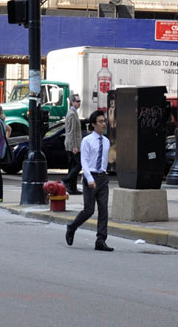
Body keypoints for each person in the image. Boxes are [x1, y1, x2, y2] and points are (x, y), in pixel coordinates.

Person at [65, 111, 113, 251]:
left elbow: (104, 160)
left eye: (104, 121)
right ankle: (72, 227)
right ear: (93, 124)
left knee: (103, 210)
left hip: (102, 178)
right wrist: (90, 178)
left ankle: (101, 240)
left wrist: (103, 175)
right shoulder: (86, 141)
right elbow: (84, 162)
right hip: (90, 177)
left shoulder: (106, 141)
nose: (103, 124)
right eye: (100, 121)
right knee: (89, 210)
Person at [63, 93, 83, 195]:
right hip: (72, 145)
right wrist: (74, 146)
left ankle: (72, 188)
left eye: (80, 101)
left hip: (73, 144)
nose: (79, 103)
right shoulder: (71, 114)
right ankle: (66, 180)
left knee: (72, 166)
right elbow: (71, 132)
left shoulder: (74, 113)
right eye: (77, 101)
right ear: (72, 102)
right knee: (79, 165)